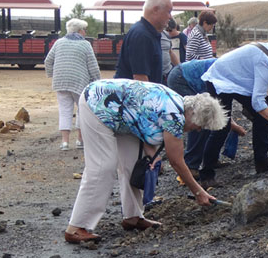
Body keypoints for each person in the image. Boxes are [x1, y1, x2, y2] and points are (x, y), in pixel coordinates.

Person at [64, 79, 228, 244]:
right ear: (193, 113)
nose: (198, 129)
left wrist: (152, 155)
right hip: (96, 104)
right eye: (200, 125)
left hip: (121, 115)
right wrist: (199, 192)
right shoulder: (174, 116)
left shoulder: (177, 104)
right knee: (103, 166)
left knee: (133, 163)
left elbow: (145, 122)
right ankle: (77, 226)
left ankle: (133, 216)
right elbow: (177, 161)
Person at [199, 43, 268, 186]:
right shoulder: (266, 62)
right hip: (220, 79)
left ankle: (262, 161)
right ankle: (206, 175)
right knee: (222, 125)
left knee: (263, 116)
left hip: (237, 81)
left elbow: (260, 100)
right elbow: (257, 103)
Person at [167, 59, 247, 176]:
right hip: (182, 78)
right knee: (199, 120)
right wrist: (232, 125)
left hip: (186, 76)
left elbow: (219, 107)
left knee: (206, 118)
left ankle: (210, 160)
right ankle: (191, 166)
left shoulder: (234, 73)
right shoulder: (229, 73)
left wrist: (231, 124)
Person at [44, 18, 101, 151]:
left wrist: (53, 74)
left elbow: (48, 61)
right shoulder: (85, 45)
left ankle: (65, 142)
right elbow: (93, 66)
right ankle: (80, 140)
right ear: (80, 31)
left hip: (61, 81)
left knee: (64, 111)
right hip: (79, 82)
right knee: (82, 110)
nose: (85, 32)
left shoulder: (59, 43)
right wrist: (97, 81)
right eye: (84, 30)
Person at [114, 0, 173, 83]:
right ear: (155, 10)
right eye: (168, 12)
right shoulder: (142, 35)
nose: (170, 17)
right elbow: (140, 79)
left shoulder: (149, 33)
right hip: (135, 95)